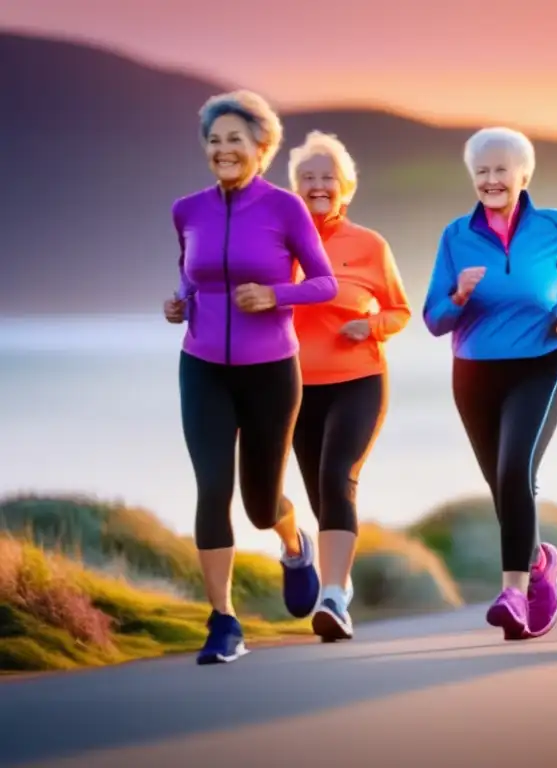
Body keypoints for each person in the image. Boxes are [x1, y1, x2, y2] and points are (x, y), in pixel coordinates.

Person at [163, 90, 338, 665]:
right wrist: (181, 302)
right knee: (213, 488)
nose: (222, 150)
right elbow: (191, 276)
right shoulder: (186, 209)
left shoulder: (286, 208)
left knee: (262, 504)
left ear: (261, 147)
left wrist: (275, 294)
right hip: (203, 367)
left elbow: (324, 283)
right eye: (214, 141)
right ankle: (224, 620)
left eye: (234, 139)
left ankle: (293, 544)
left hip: (270, 372)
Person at [423, 126, 557, 641]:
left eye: (500, 170)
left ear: (523, 175)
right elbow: (434, 318)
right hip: (473, 374)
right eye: (482, 171)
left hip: (540, 363)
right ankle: (540, 564)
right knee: (502, 483)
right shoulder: (455, 236)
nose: (491, 180)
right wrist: (459, 297)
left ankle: (513, 591)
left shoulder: (556, 226)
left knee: (515, 470)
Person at [284, 131, 411, 641]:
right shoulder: (280, 243)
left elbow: (400, 310)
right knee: (318, 491)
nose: (319, 186)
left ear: (346, 188)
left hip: (359, 380)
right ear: (295, 189)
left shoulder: (369, 245)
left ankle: (333, 596)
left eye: (328, 178)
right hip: (291, 385)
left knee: (338, 477)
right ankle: (327, 565)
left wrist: (372, 326)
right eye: (308, 179)